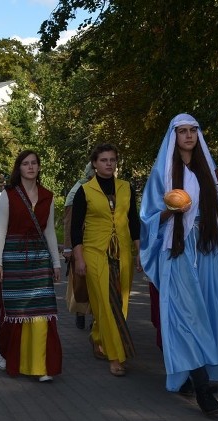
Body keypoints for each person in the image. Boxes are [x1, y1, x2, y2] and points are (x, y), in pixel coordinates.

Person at [139, 113, 218, 416]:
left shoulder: (209, 170)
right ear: (174, 136)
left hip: (208, 246)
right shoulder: (163, 172)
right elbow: (147, 217)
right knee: (187, 316)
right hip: (178, 249)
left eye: (193, 130)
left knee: (212, 312)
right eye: (182, 131)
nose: (188, 135)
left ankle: (193, 373)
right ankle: (202, 389)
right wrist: (169, 209)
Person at [0, 150, 62, 382]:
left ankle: (41, 366)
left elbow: (49, 231)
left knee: (42, 309)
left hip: (40, 258)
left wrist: (56, 262)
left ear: (39, 167)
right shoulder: (8, 195)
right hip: (13, 258)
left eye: (34, 163)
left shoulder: (48, 196)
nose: (30, 167)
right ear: (19, 168)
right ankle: (8, 353)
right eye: (25, 164)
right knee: (17, 311)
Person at [71, 144, 140, 376]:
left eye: (112, 159)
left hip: (122, 252)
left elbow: (134, 222)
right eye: (103, 160)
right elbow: (75, 230)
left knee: (119, 303)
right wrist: (78, 258)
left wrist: (139, 251)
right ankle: (116, 357)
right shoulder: (85, 191)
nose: (109, 163)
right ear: (94, 164)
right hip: (95, 252)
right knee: (106, 303)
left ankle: (99, 337)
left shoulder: (126, 188)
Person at [63, 163, 95, 329]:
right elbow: (69, 222)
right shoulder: (78, 190)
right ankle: (80, 313)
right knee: (81, 284)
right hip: (80, 244)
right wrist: (68, 248)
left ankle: (96, 318)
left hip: (97, 243)